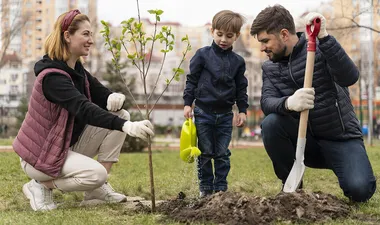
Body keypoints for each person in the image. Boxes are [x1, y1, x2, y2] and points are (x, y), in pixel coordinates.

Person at [12, 9, 155, 211]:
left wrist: (113, 97)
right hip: (39, 157)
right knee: (95, 174)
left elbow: (100, 93)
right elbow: (84, 108)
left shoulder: (76, 69)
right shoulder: (52, 77)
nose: (91, 40)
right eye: (85, 34)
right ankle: (40, 186)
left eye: (91, 34)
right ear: (67, 36)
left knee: (121, 114)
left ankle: (96, 190)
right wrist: (126, 127)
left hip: (61, 147)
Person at [250, 5, 376, 202]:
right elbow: (267, 102)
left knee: (360, 190)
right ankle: (292, 187)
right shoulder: (270, 67)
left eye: (265, 41)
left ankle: (348, 166)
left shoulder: (319, 50)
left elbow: (350, 77)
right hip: (305, 143)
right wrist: (288, 103)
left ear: (284, 34)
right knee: (271, 123)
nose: (262, 47)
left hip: (340, 138)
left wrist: (325, 38)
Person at [183, 10, 249, 198]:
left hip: (226, 114)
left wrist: (242, 110)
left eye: (229, 36)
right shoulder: (202, 55)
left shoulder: (238, 62)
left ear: (236, 36)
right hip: (203, 112)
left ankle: (220, 189)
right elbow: (192, 80)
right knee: (205, 152)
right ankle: (206, 189)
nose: (223, 39)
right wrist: (188, 103)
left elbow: (241, 87)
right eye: (219, 34)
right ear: (212, 31)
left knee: (221, 153)